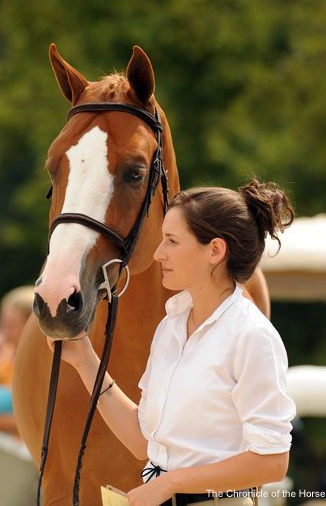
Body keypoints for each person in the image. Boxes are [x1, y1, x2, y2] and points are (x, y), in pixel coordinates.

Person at [47, 178, 296, 506]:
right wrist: (85, 361)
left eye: (172, 241)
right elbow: (143, 441)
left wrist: (171, 483)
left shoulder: (253, 337)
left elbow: (273, 461)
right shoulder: (171, 326)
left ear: (215, 251)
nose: (158, 253)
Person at [0, 286, 38, 506]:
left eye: (11, 324)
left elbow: (33, 423)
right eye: (2, 321)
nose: (2, 330)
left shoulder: (42, 366)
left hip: (19, 459)